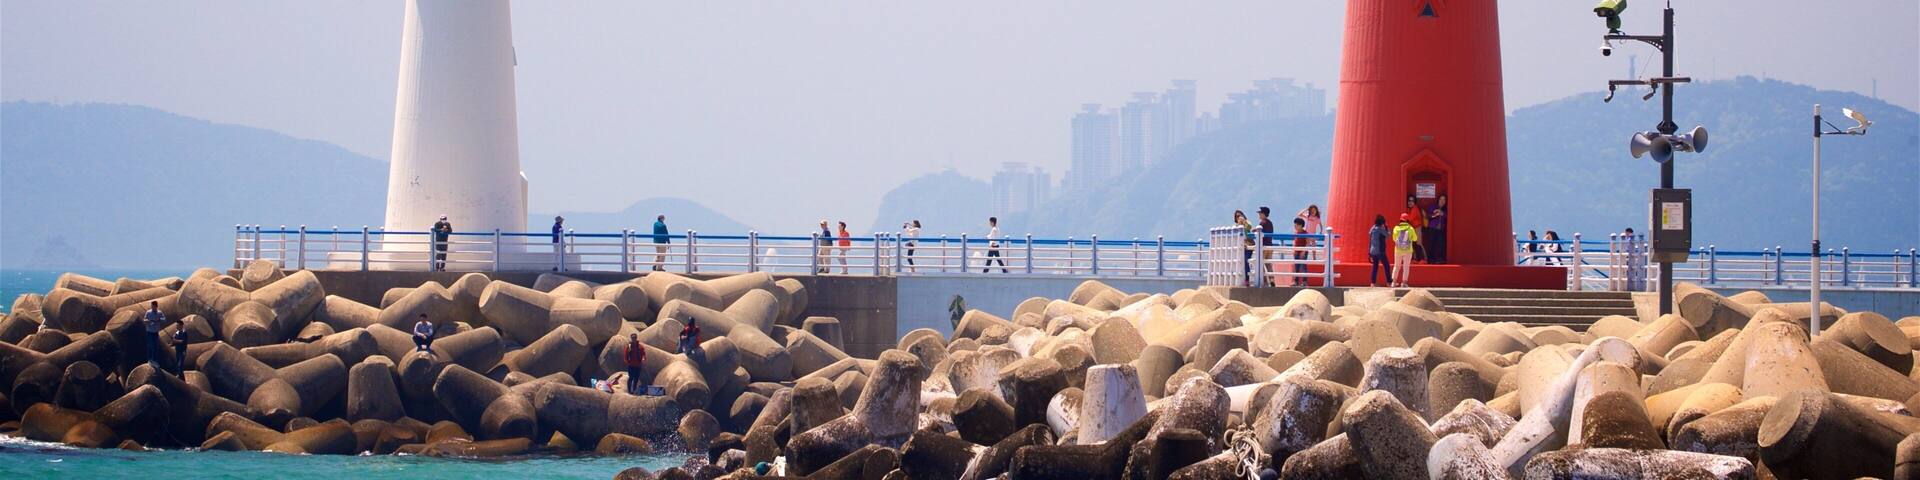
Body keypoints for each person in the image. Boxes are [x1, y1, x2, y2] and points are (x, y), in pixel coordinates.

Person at [1391, 213, 1419, 287]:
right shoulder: (1410, 228)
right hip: (1408, 250)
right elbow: (1415, 238)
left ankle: (1393, 282)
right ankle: (1404, 283)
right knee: (1406, 267)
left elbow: (1394, 239)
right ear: (1407, 220)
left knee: (1396, 266)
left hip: (1398, 250)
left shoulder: (1396, 228)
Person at [1368, 215, 1393, 287]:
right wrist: (1387, 227)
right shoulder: (1380, 229)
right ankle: (1389, 282)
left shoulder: (1372, 229)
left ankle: (1373, 283)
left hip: (1372, 251)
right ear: (1382, 222)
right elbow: (1388, 235)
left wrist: (1369, 253)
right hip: (1380, 251)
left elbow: (1370, 240)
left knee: (1375, 266)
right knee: (1386, 266)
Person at [1233, 210, 1255, 286]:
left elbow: (1249, 227)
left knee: (1246, 261)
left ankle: (1247, 279)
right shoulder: (1235, 226)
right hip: (1240, 246)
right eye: (1237, 216)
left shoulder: (1247, 223)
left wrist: (1244, 222)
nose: (1239, 217)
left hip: (1248, 245)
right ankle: (1239, 279)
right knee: (1239, 262)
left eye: (1240, 215)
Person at [1256, 207, 1276, 287]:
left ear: (1264, 214)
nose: (1259, 215)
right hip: (1270, 246)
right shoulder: (1270, 223)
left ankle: (1264, 281)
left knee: (1261, 264)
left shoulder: (1262, 223)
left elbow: (1261, 234)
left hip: (1263, 246)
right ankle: (1272, 280)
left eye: (1260, 213)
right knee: (1268, 264)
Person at [1403, 196, 1427, 263]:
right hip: (1412, 228)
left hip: (1417, 228)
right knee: (1414, 244)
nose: (1410, 202)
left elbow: (1410, 218)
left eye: (1412, 201)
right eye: (1409, 201)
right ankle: (1416, 259)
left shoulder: (1414, 209)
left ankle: (1423, 259)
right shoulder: (1409, 209)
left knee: (1418, 243)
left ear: (1414, 202)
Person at [143, 302, 166, 369]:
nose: (152, 308)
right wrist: (148, 321)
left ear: (156, 306)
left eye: (154, 306)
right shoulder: (148, 312)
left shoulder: (159, 313)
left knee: (155, 346)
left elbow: (164, 319)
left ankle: (154, 360)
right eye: (152, 306)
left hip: (156, 332)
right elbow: (144, 320)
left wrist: (159, 320)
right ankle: (150, 360)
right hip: (149, 332)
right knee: (150, 346)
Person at [1290, 217, 1311, 287]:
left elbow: (1308, 243)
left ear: (1301, 225)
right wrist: (1293, 249)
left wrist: (1303, 251)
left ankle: (1304, 282)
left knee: (1303, 266)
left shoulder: (1305, 233)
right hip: (1297, 252)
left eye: (1296, 225)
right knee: (1297, 267)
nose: (1295, 226)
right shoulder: (1296, 233)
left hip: (1303, 252)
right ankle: (1296, 281)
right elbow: (1294, 241)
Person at [1427, 195, 1448, 264]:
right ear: (1438, 200)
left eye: (1444, 200)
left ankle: (1439, 259)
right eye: (1441, 199)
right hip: (1432, 228)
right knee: (1431, 244)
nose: (1442, 201)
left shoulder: (1446, 209)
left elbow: (1447, 216)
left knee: (1440, 244)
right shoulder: (1433, 207)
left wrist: (1442, 213)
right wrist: (1434, 214)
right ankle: (1430, 259)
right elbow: (1428, 215)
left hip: (1440, 230)